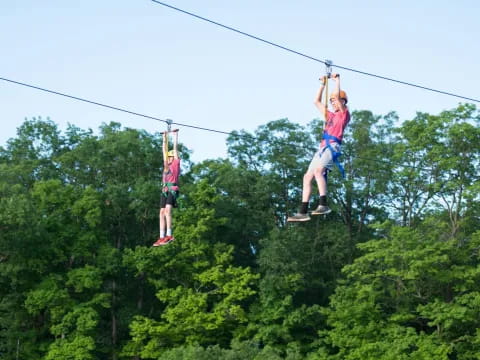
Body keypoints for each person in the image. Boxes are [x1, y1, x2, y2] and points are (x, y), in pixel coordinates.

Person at [287, 73, 350, 222]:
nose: (333, 103)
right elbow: (316, 101)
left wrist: (337, 81)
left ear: (343, 101)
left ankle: (323, 204)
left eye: (335, 101)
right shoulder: (329, 116)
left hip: (333, 146)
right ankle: (303, 211)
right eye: (332, 102)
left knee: (318, 171)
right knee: (307, 176)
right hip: (322, 148)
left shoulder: (344, 114)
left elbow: (336, 95)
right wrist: (322, 85)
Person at [153, 130, 180, 246]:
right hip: (164, 191)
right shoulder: (165, 168)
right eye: (167, 158)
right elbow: (164, 152)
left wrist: (175, 136)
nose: (168, 159)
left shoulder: (175, 164)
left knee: (168, 211)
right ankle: (161, 237)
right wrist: (164, 138)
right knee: (161, 212)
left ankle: (169, 235)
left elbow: (174, 149)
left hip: (172, 190)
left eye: (170, 157)